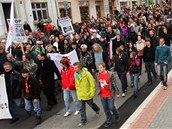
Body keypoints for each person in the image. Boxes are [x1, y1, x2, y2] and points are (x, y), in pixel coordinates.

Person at [73, 62, 100, 127]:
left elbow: (92, 83)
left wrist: (92, 92)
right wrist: (77, 91)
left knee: (91, 104)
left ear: (79, 67)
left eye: (76, 68)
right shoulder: (75, 75)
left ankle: (97, 109)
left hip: (87, 94)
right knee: (82, 109)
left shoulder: (87, 74)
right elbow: (76, 84)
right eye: (74, 68)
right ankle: (83, 121)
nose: (74, 69)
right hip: (80, 95)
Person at [95, 63, 120, 128]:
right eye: (98, 68)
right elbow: (97, 83)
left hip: (110, 94)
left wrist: (117, 92)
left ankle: (116, 114)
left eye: (100, 68)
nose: (99, 69)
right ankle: (109, 120)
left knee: (111, 107)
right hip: (102, 95)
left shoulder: (110, 74)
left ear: (104, 68)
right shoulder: (97, 75)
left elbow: (114, 84)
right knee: (106, 109)